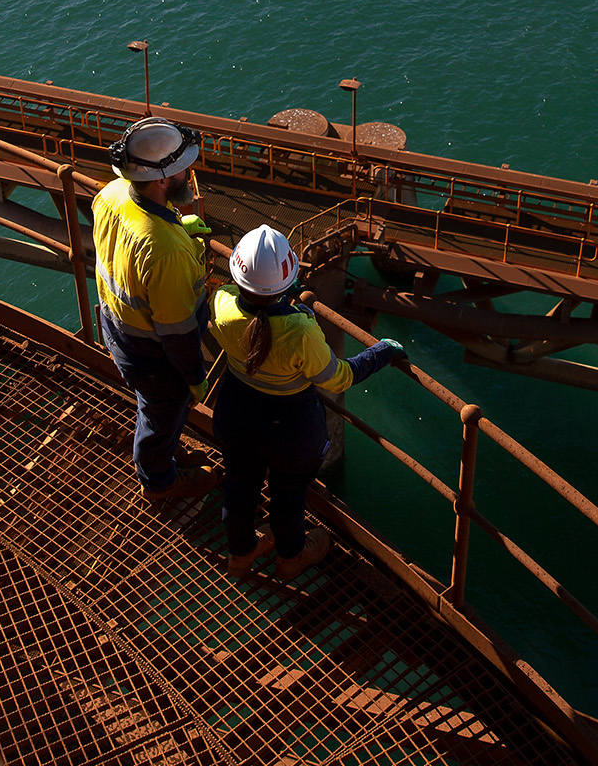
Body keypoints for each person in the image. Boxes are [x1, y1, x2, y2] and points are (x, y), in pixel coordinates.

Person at [207, 225, 405, 579]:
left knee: (239, 486)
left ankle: (240, 554)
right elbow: (338, 377)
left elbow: (238, 303)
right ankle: (291, 557)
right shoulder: (300, 332)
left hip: (236, 412)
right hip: (288, 430)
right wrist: (381, 352)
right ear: (287, 281)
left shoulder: (221, 305)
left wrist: (283, 303)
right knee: (288, 495)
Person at [94, 116, 219, 500]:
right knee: (159, 413)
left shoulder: (113, 192)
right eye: (184, 170)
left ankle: (165, 448)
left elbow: (136, 242)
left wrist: (179, 225)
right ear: (163, 179)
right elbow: (177, 332)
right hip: (153, 354)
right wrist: (195, 376)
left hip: (116, 328)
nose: (189, 173)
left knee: (160, 412)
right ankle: (159, 481)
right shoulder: (166, 252)